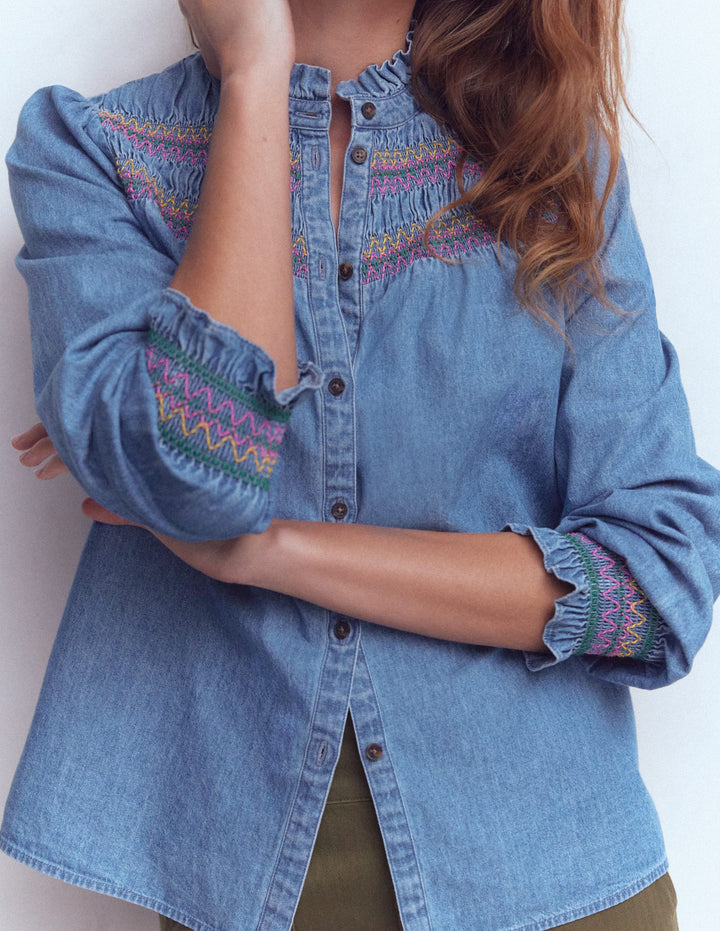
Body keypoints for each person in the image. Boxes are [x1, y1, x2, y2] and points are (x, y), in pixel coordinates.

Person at [3, 0, 718, 928]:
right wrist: (257, 70)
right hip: (243, 888)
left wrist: (266, 550)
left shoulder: (551, 163)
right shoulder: (96, 153)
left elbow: (653, 589)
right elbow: (202, 476)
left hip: (561, 882)